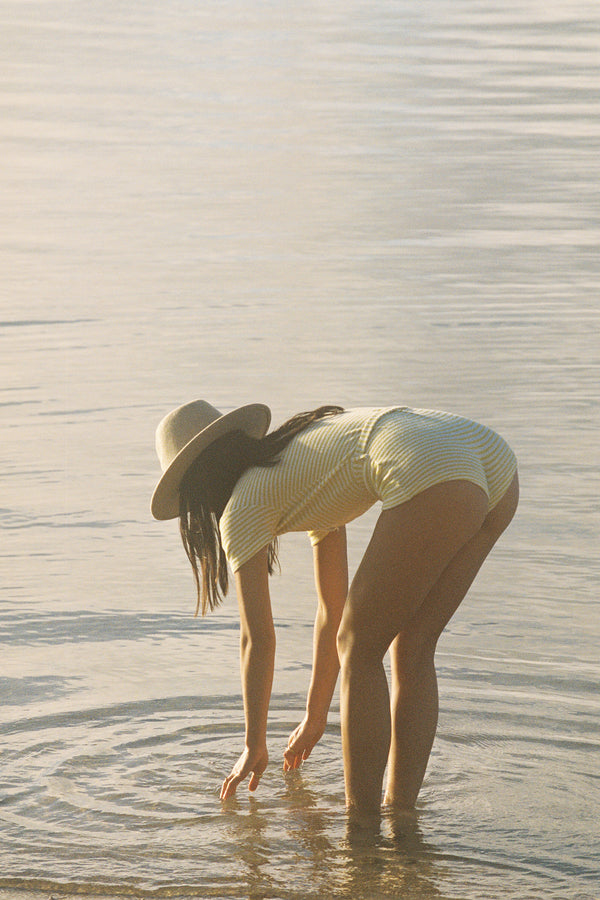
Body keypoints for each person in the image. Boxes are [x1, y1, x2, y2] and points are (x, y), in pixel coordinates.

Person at [151, 400, 518, 820]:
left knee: (359, 647)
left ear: (196, 488)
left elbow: (258, 639)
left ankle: (361, 832)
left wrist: (254, 744)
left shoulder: (242, 507)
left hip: (435, 466)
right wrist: (314, 715)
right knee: (411, 647)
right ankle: (401, 818)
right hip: (494, 463)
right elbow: (332, 606)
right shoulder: (296, 464)